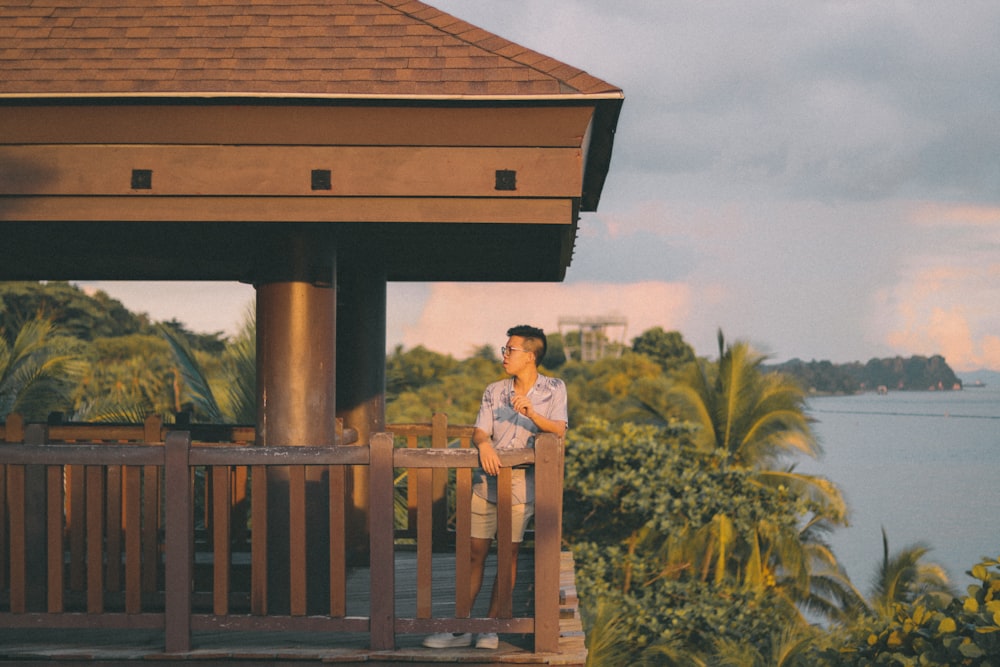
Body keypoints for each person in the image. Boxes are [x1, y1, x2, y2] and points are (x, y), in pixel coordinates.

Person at [422, 325, 568, 650]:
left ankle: (490, 626)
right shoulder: (494, 390)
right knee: (474, 554)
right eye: (504, 349)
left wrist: (532, 413)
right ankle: (461, 627)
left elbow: (558, 432)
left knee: (508, 556)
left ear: (530, 356)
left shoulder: (554, 389)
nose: (504, 355)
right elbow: (479, 431)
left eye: (510, 350)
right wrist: (484, 445)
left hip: (521, 488)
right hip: (486, 484)